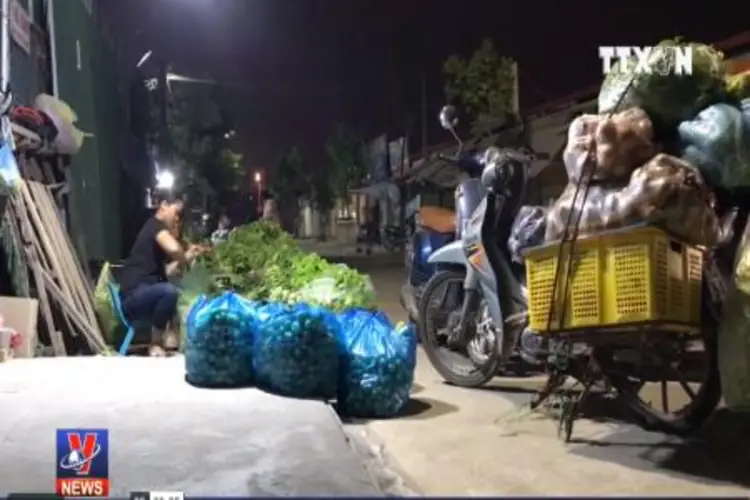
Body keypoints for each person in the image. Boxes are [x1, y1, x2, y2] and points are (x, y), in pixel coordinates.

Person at [118, 193, 205, 356]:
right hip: (132, 298)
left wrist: (185, 258)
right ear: (164, 205)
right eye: (176, 213)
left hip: (141, 294)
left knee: (171, 289)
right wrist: (184, 256)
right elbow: (174, 249)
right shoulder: (155, 225)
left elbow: (167, 272)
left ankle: (169, 339)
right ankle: (155, 344)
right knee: (169, 291)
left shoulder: (155, 233)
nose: (177, 219)